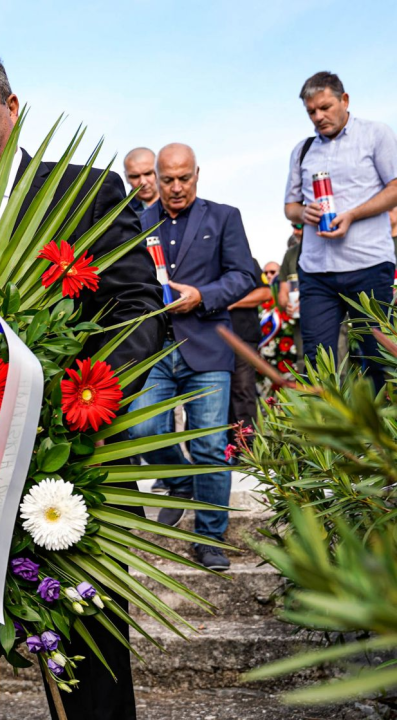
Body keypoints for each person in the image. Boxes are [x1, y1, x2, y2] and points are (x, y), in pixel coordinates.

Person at [0, 38, 164, 720]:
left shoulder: (83, 192)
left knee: (91, 682)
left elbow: (136, 305)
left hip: (75, 474)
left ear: (9, 108)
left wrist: (82, 408)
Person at [127, 143, 256, 571]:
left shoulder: (224, 217)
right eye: (168, 179)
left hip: (208, 346)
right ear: (155, 179)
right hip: (156, 349)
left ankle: (210, 538)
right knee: (143, 428)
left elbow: (243, 276)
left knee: (209, 444)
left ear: (197, 174)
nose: (177, 187)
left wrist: (203, 296)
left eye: (185, 178)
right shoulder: (137, 223)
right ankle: (180, 482)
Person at [283, 71, 397, 389]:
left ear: (344, 100)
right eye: (311, 112)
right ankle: (329, 435)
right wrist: (303, 212)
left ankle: (378, 437)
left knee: (377, 360)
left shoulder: (376, 134)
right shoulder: (302, 150)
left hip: (369, 266)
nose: (318, 117)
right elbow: (290, 206)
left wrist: (353, 215)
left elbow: (395, 187)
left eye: (325, 107)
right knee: (319, 364)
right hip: (317, 273)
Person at [227, 259, 270, 436]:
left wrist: (228, 303)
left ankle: (248, 448)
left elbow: (265, 293)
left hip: (243, 335)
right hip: (209, 339)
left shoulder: (248, 261)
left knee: (243, 390)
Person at [123, 147, 160, 213]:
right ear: (126, 177)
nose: (143, 182)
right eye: (135, 176)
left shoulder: (180, 205)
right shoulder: (121, 214)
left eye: (148, 174)